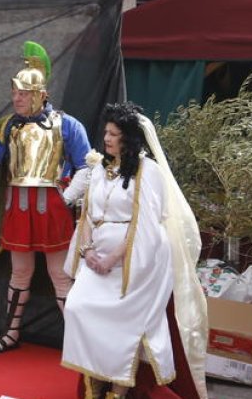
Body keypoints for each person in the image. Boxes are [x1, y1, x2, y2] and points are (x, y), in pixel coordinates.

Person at [62, 102, 207, 399]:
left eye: (114, 134)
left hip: (138, 260)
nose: (107, 138)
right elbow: (87, 213)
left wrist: (114, 258)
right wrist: (88, 251)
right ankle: (94, 381)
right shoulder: (101, 169)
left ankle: (117, 389)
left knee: (124, 324)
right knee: (77, 308)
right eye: (106, 132)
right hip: (97, 255)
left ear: (128, 138)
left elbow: (146, 225)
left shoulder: (148, 172)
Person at [0, 41, 91, 354]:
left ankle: (81, 344)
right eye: (14, 93)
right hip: (18, 208)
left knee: (60, 275)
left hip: (52, 209)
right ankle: (10, 334)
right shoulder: (9, 125)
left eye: (23, 93)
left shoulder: (68, 124)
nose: (16, 98)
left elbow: (88, 166)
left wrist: (66, 199)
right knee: (20, 272)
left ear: (40, 94)